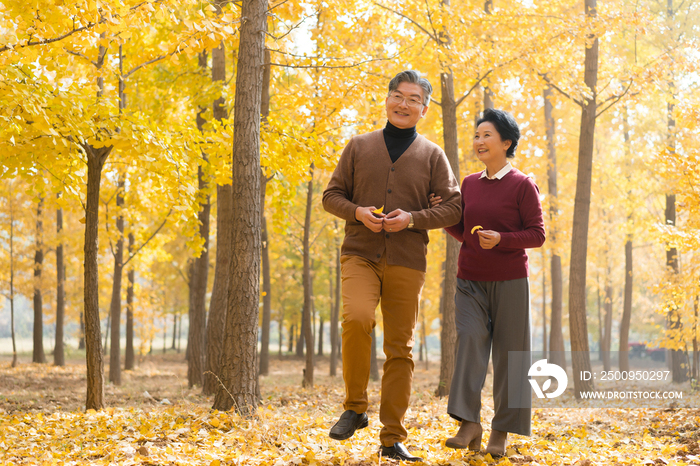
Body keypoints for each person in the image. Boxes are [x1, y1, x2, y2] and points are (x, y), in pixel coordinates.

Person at [322, 70, 462, 462]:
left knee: (400, 348)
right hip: (360, 252)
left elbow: (454, 206)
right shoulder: (358, 146)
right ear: (387, 99)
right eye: (398, 96)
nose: (404, 104)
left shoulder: (433, 155)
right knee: (357, 318)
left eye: (413, 99)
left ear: (425, 108)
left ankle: (392, 438)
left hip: (407, 259)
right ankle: (354, 407)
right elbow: (330, 196)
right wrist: (357, 212)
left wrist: (413, 219)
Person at [437, 108, 545, 456]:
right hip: (470, 279)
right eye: (477, 135)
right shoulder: (469, 183)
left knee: (511, 355)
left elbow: (537, 234)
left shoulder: (523, 184)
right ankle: (469, 421)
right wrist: (442, 216)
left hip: (510, 280)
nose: (479, 141)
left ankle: (502, 429)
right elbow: (464, 232)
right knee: (469, 339)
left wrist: (502, 239)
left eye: (487, 136)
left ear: (506, 142)